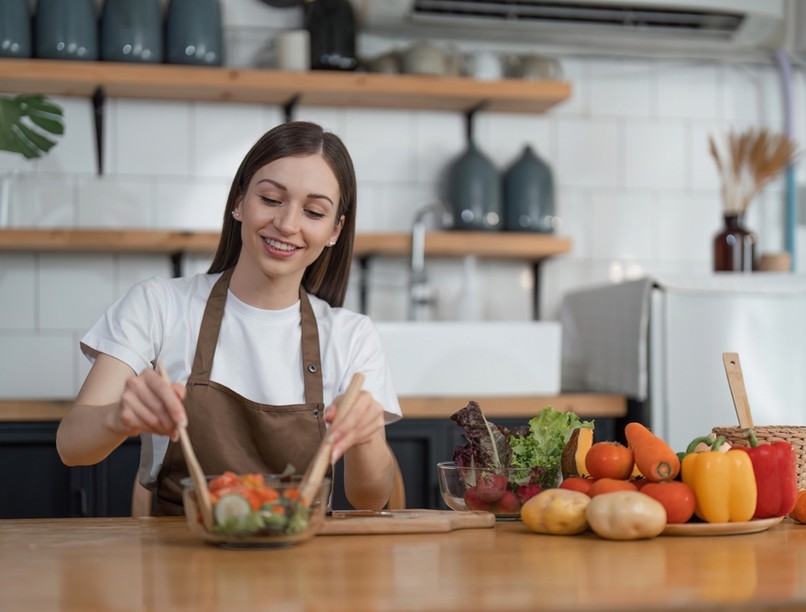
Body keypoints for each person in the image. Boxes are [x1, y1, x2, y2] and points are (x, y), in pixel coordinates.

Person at [56, 121, 402, 514]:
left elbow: (370, 499)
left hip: (304, 564)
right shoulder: (159, 305)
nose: (288, 224)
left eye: (313, 211)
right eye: (271, 199)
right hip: (178, 558)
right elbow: (71, 447)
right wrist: (120, 416)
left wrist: (367, 436)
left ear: (335, 230)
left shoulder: (351, 335)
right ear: (239, 202)